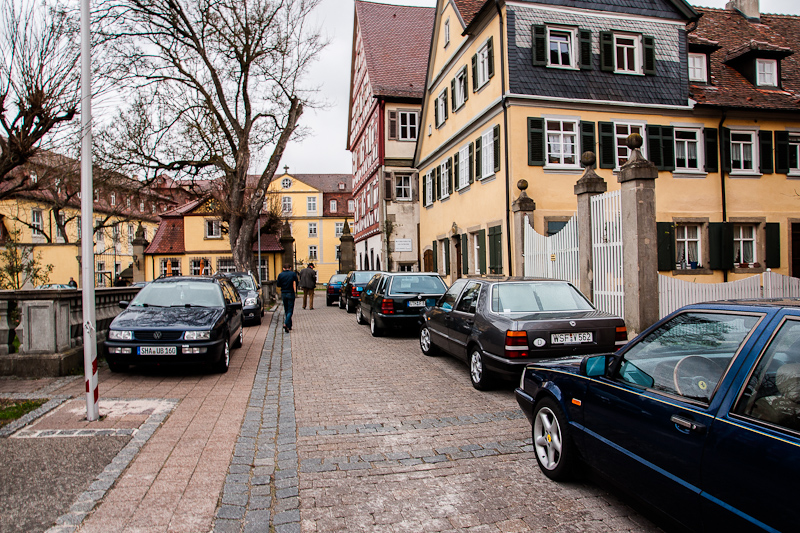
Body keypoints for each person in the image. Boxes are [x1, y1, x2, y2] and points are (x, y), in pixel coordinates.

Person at [276, 263, 299, 332]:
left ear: (283, 268)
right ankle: (286, 323)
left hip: (283, 293)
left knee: (286, 309)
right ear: (290, 268)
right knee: (290, 310)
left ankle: (289, 326)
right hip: (290, 293)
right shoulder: (293, 274)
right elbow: (297, 282)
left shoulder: (280, 275)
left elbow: (278, 284)